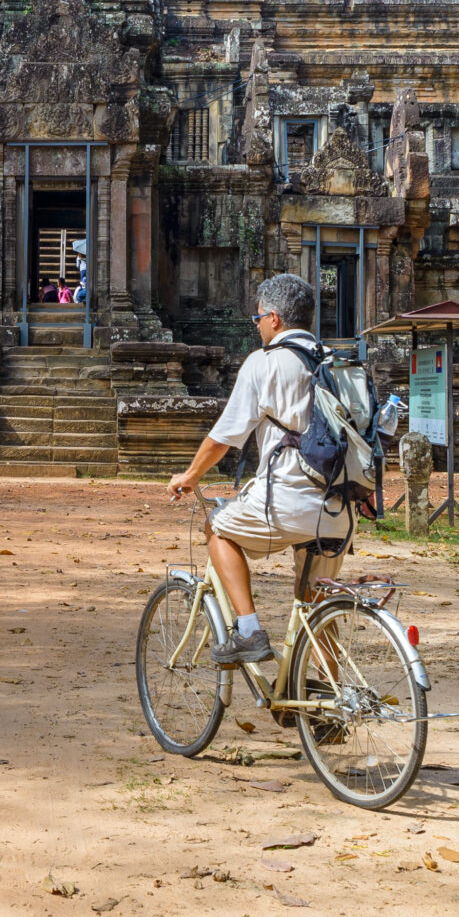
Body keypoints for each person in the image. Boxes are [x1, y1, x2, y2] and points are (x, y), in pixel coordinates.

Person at [164, 273, 349, 666]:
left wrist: (190, 476)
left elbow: (224, 437)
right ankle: (326, 710)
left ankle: (248, 631)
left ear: (275, 319)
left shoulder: (263, 363)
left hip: (287, 502)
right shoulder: (335, 361)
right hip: (339, 508)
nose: (258, 325)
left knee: (217, 527)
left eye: (258, 318)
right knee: (316, 606)